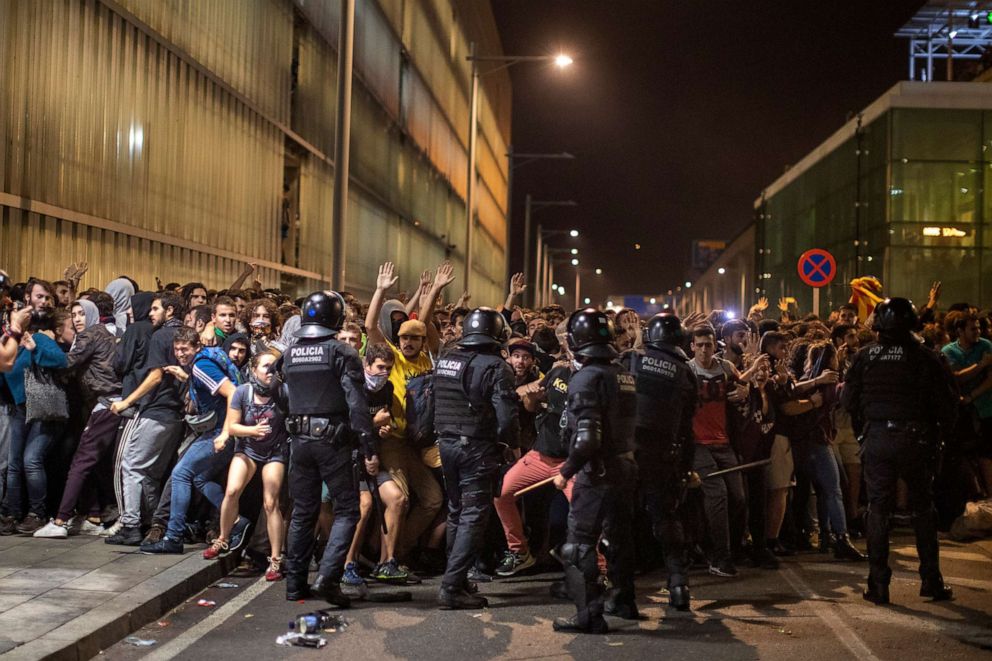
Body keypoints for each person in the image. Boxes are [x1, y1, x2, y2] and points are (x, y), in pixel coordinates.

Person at [842, 297, 958, 605]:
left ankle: (878, 585)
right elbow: (947, 405)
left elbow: (848, 402)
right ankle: (931, 581)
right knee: (923, 509)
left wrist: (865, 433)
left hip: (877, 437)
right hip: (916, 439)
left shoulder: (865, 357)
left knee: (878, 510)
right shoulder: (927, 358)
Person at [281, 291, 375, 608]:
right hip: (333, 440)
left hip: (298, 442)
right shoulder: (341, 352)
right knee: (347, 510)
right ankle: (327, 578)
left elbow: (279, 393)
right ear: (336, 318)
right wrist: (367, 441)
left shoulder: (291, 353)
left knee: (303, 512)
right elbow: (356, 402)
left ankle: (295, 584)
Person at [551, 308, 638, 634]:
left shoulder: (586, 377)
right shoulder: (623, 374)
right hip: (625, 466)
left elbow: (587, 437)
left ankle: (588, 616)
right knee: (619, 538)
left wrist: (566, 470)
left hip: (598, 471)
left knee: (579, 545)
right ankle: (624, 601)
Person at [434, 307, 519, 609]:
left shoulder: (446, 359)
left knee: (457, 511)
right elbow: (507, 416)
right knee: (473, 515)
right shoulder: (497, 366)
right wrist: (510, 444)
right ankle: (451, 587)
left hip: (446, 445)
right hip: (477, 448)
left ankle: (456, 579)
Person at [140, 326, 243, 555]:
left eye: (185, 349)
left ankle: (173, 537)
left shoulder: (200, 365)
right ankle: (237, 521)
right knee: (199, 478)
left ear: (197, 347)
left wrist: (226, 432)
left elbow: (232, 392)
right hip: (222, 430)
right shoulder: (204, 362)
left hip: (219, 431)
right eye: (177, 349)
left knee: (180, 474)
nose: (180, 354)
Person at [628, 313, 698, 611]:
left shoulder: (631, 360)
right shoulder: (686, 372)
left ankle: (621, 591)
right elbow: (687, 427)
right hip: (664, 455)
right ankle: (678, 583)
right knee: (667, 519)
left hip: (628, 454)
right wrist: (686, 468)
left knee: (620, 519)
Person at [34, 299, 122, 537]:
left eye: (82, 313)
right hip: (106, 404)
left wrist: (39, 343)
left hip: (104, 404)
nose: (78, 319)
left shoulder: (89, 336)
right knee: (93, 463)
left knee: (81, 462)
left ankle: (61, 521)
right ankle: (93, 515)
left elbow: (66, 363)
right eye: (74, 314)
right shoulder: (103, 333)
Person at [107, 292, 187, 545]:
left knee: (131, 465)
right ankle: (151, 524)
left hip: (157, 410)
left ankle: (130, 524)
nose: (150, 314)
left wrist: (127, 402)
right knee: (150, 473)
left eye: (155, 309)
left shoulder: (161, 335)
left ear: (170, 310)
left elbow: (155, 377)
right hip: (175, 415)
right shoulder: (185, 335)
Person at [207, 351, 287, 582]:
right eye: (265, 367)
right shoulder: (243, 392)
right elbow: (232, 427)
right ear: (253, 370)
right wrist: (252, 431)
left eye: (274, 367)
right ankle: (222, 538)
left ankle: (274, 560)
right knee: (232, 490)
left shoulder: (282, 393)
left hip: (274, 452)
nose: (270, 372)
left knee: (271, 502)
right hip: (248, 449)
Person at [0, 304, 68, 534]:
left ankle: (37, 514)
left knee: (31, 460)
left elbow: (61, 361)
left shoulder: (39, 338)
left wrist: (34, 347)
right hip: (20, 409)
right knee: (13, 463)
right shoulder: (9, 345)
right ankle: (11, 513)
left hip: (42, 410)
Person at [688, 326, 746, 577]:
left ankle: (726, 548)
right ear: (692, 346)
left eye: (708, 344)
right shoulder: (687, 370)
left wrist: (745, 391)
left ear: (715, 345)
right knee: (718, 495)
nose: (703, 349)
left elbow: (744, 388)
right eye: (699, 344)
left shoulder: (725, 368)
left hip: (724, 443)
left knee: (739, 498)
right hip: (698, 444)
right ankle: (720, 556)